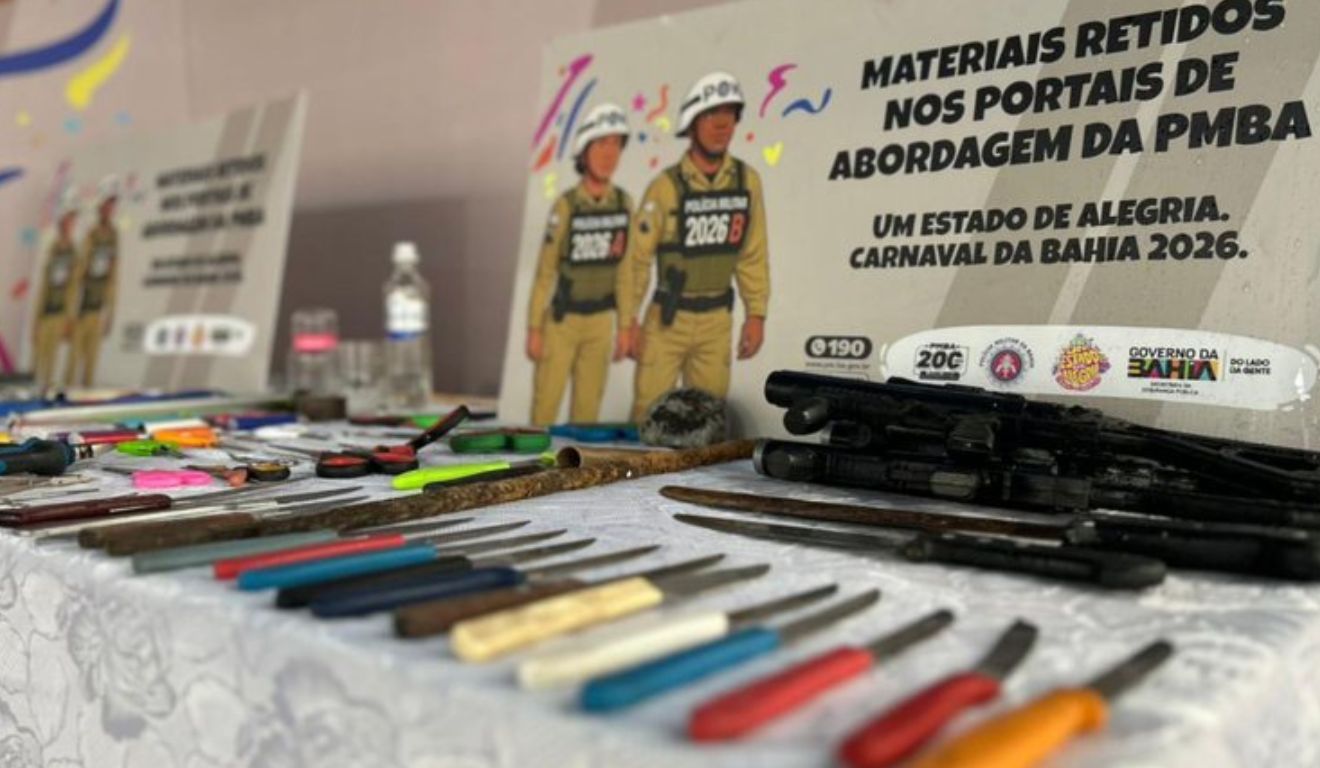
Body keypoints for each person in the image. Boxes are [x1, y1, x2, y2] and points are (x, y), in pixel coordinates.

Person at [615, 71, 770, 422]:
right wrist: (628, 322)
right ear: (692, 123)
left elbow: (753, 254)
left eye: (729, 114)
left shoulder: (747, 182)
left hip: (717, 320)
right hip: (668, 320)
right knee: (648, 416)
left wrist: (756, 314)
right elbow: (637, 260)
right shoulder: (665, 186)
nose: (722, 124)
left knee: (708, 420)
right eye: (711, 114)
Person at [526, 103, 633, 425]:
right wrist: (534, 328)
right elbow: (545, 272)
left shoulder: (623, 203)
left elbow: (625, 270)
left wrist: (625, 326)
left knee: (587, 414)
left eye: (615, 144)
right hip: (563, 321)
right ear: (584, 151)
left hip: (600, 322)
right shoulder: (567, 206)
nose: (609, 153)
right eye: (601, 144)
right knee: (545, 407)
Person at [66, 175, 119, 387]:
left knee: (90, 371)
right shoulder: (90, 235)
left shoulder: (114, 236)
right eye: (107, 203)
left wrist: (110, 312)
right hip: (82, 309)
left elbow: (113, 277)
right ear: (100, 205)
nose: (109, 208)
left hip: (98, 311)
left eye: (112, 204)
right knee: (71, 369)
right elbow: (77, 275)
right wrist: (71, 313)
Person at [31, 191, 80, 389]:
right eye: (68, 217)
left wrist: (69, 318)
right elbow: (42, 286)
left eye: (73, 218)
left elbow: (72, 288)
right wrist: (36, 321)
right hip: (45, 314)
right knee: (36, 365)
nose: (70, 222)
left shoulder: (74, 252)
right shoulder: (50, 247)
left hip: (59, 315)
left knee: (51, 367)